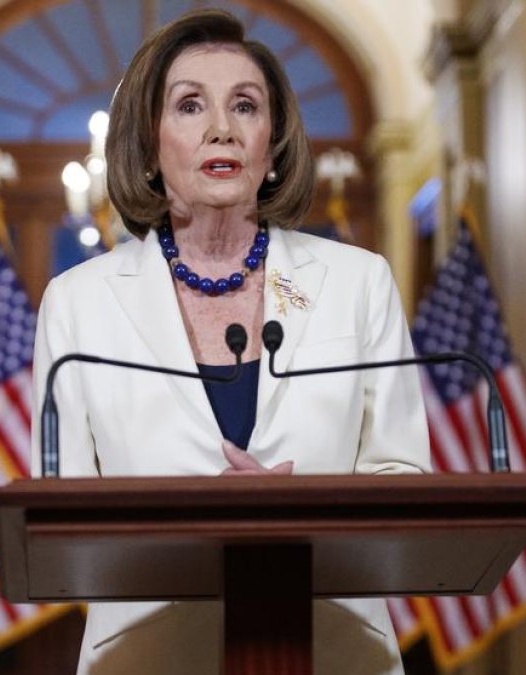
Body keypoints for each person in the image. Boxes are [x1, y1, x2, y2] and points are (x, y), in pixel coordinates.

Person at [31, 9, 430, 674]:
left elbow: (406, 482)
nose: (221, 127)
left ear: (272, 144)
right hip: (147, 657)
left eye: (244, 105)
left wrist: (297, 518)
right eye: (190, 105)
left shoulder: (355, 283)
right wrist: (200, 528)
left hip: (331, 650)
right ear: (149, 144)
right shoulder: (79, 304)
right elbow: (61, 523)